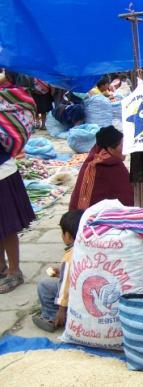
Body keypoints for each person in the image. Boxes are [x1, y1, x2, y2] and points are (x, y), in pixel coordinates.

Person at [0, 70, 37, 294]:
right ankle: (2, 268)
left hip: (2, 172)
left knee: (8, 226)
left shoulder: (6, 99)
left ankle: (15, 271)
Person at [32, 209, 84, 332]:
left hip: (76, 294)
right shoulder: (90, 248)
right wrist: (61, 273)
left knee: (44, 285)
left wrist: (61, 309)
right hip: (86, 292)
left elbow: (65, 286)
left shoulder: (69, 256)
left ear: (68, 236)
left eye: (62, 232)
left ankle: (51, 317)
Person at [69, 125, 133, 210]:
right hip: (93, 218)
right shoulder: (112, 165)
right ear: (110, 148)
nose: (125, 149)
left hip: (75, 215)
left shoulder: (92, 158)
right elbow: (129, 199)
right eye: (122, 145)